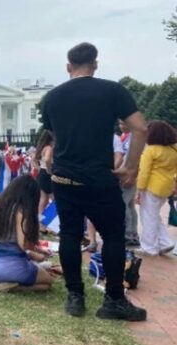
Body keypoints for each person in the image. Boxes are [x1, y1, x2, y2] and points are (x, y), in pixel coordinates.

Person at [41, 42, 147, 321]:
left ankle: (75, 297)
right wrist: (130, 166)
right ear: (95, 64)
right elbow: (140, 128)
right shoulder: (112, 91)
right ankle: (113, 299)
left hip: (64, 177)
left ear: (68, 67)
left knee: (69, 235)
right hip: (99, 178)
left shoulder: (51, 98)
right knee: (112, 236)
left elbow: (55, 133)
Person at [0, 175, 57, 290]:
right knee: (48, 283)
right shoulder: (21, 212)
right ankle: (11, 286)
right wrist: (39, 251)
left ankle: (1, 282)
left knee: (42, 277)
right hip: (12, 267)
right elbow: (24, 245)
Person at [135, 120, 177, 256]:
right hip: (166, 187)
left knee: (147, 216)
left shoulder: (151, 150)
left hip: (151, 187)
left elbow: (144, 172)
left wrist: (139, 190)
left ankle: (149, 247)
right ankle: (166, 242)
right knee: (154, 215)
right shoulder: (174, 149)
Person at [119, 121, 140, 247]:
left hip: (128, 176)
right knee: (130, 205)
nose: (122, 126)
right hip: (123, 174)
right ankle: (133, 234)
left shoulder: (134, 138)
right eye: (120, 123)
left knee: (123, 204)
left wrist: (132, 175)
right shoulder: (123, 137)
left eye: (124, 123)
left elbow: (137, 158)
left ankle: (128, 234)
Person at [35, 130, 54, 217]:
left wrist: (39, 169)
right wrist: (49, 171)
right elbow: (47, 160)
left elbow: (33, 160)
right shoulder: (49, 148)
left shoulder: (41, 148)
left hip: (42, 173)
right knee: (55, 200)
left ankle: (40, 222)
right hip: (47, 174)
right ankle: (52, 222)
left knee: (43, 200)